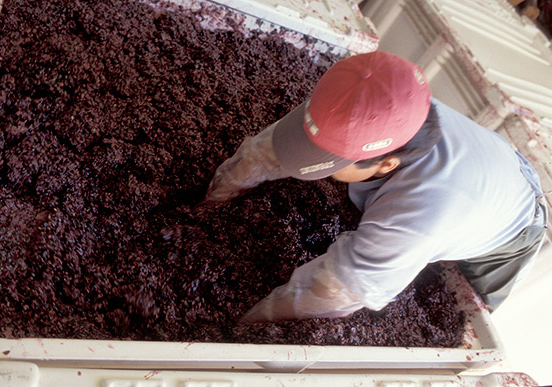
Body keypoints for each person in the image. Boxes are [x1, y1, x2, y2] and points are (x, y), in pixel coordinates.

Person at [205, 51, 548, 322]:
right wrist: (211, 199)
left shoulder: (421, 216)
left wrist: (239, 323)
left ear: (385, 164)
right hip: (488, 161)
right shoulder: (368, 102)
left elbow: (331, 292)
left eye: (334, 161)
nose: (317, 165)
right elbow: (265, 152)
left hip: (511, 228)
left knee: (468, 307)